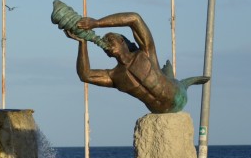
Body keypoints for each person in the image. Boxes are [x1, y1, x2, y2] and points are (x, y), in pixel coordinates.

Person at [64, 11, 210, 113]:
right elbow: (85, 75)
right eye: (105, 43)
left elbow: (135, 18)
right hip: (158, 110)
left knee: (179, 82)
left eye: (110, 39)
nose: (107, 44)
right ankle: (169, 74)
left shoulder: (145, 52)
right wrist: (82, 42)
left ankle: (180, 78)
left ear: (122, 41)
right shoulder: (114, 76)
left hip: (178, 96)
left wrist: (96, 23)